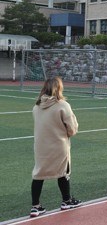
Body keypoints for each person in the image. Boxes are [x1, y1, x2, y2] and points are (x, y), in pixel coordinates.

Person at [30, 77, 81, 217]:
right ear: (59, 88)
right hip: (59, 145)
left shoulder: (36, 106)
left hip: (41, 145)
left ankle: (35, 206)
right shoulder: (63, 105)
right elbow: (72, 129)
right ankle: (66, 200)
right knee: (63, 172)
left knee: (39, 173)